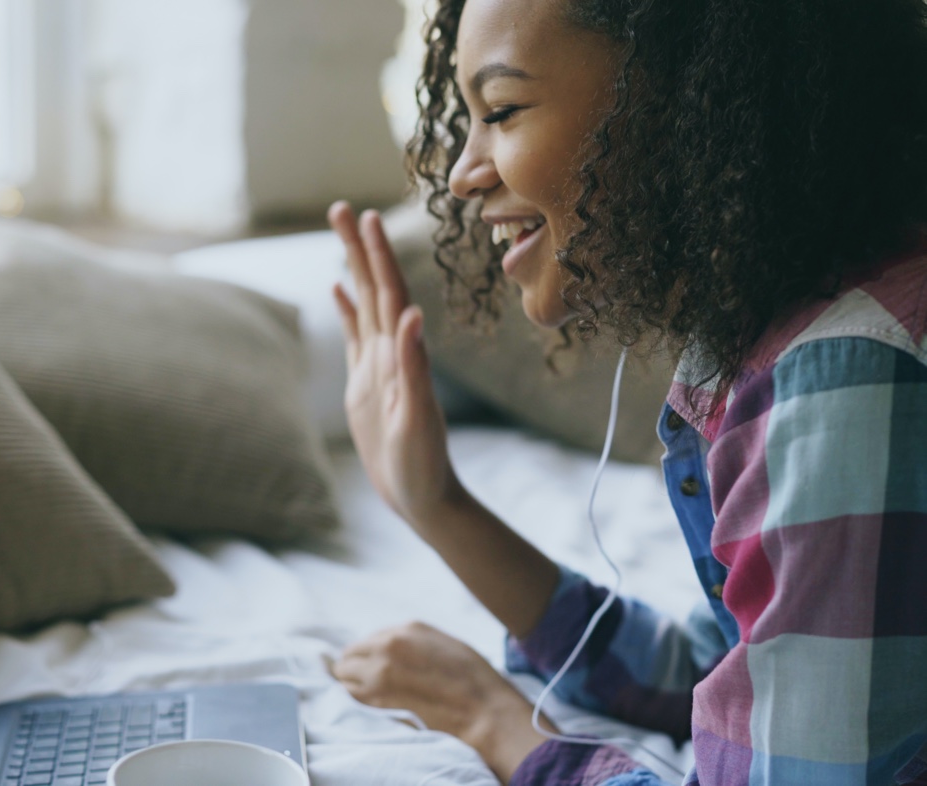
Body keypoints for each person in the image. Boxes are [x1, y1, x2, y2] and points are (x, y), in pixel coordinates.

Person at [326, 0, 927, 783]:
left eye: (500, 110)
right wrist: (435, 502)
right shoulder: (794, 322)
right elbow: (716, 673)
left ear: (678, 97)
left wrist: (500, 726)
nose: (464, 174)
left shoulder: (843, 378)